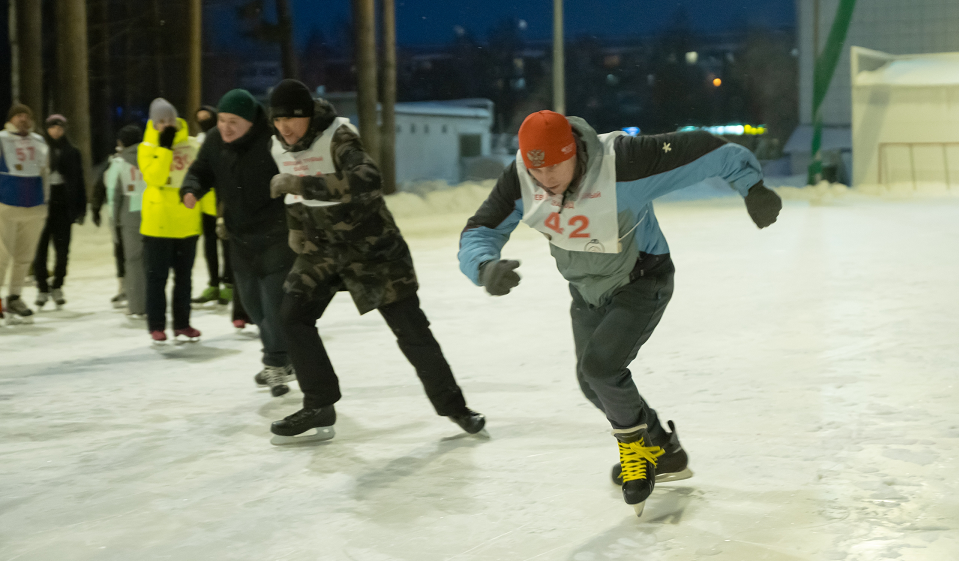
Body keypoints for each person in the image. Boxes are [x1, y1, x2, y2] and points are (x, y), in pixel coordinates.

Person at [457, 110, 782, 516]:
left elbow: (708, 149)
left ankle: (637, 455)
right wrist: (484, 266)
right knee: (592, 383)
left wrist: (753, 187)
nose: (547, 179)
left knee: (601, 368)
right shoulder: (522, 178)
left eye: (556, 165)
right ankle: (665, 451)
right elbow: (480, 230)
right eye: (537, 169)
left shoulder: (622, 162)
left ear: (573, 149)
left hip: (642, 280)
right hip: (587, 291)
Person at [265, 79, 484, 444]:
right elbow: (293, 200)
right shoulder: (278, 146)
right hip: (322, 250)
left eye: (292, 118)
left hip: (373, 251)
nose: (285, 126)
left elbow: (368, 178)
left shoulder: (338, 136)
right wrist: (297, 232)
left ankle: (456, 408)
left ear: (307, 116)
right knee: (292, 314)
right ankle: (319, 403)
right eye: (278, 119)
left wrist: (301, 186)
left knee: (411, 332)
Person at [180, 89, 295, 396]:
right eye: (221, 120)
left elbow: (298, 172)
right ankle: (286, 357)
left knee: (274, 305)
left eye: (234, 121)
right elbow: (200, 170)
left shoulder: (272, 141)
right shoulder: (215, 141)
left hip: (276, 234)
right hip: (239, 238)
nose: (226, 127)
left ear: (250, 121)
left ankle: (276, 363)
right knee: (253, 306)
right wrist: (191, 188)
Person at [138, 98, 202, 343]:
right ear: (154, 124)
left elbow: (199, 177)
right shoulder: (146, 148)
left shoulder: (191, 146)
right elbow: (154, 177)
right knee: (157, 278)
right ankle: (156, 325)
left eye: (170, 120)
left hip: (186, 221)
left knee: (184, 278)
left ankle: (182, 324)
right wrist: (164, 150)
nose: (167, 125)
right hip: (158, 223)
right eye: (161, 121)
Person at [0, 103, 48, 324]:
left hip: (34, 206)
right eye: (18, 115)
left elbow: (45, 173)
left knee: (24, 257)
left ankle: (15, 297)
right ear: (11, 119)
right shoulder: (2, 139)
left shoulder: (39, 141)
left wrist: (45, 202)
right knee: (2, 257)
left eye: (26, 115)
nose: (23, 119)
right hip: (5, 205)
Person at [32, 114, 86, 309]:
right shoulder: (39, 149)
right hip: (42, 204)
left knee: (62, 250)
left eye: (60, 127)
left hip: (63, 204)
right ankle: (42, 288)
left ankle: (57, 286)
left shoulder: (72, 151)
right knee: (40, 250)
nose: (56, 131)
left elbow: (79, 181)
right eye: (53, 127)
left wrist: (81, 207)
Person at [96, 125, 147, 317]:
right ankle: (155, 302)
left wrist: (114, 224)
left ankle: (137, 305)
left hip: (130, 215)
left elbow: (114, 196)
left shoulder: (119, 162)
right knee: (152, 261)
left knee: (133, 261)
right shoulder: (151, 157)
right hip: (154, 212)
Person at [190, 104, 233, 307]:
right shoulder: (197, 142)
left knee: (226, 244)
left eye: (206, 117)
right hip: (204, 203)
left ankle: (229, 284)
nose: (203, 121)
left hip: (223, 201)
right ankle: (213, 283)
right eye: (199, 118)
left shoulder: (223, 140)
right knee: (209, 246)